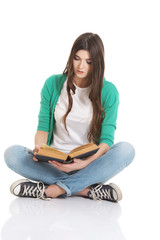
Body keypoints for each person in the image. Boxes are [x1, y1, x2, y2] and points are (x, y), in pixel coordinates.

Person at [4, 32, 135, 202]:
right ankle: (85, 190)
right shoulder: (53, 84)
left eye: (89, 62)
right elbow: (43, 126)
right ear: (71, 57)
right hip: (53, 164)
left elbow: (107, 140)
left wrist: (84, 164)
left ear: (98, 64)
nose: (81, 66)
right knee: (12, 154)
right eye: (77, 58)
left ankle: (51, 190)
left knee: (127, 150)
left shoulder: (109, 91)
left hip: (89, 166)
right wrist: (40, 147)